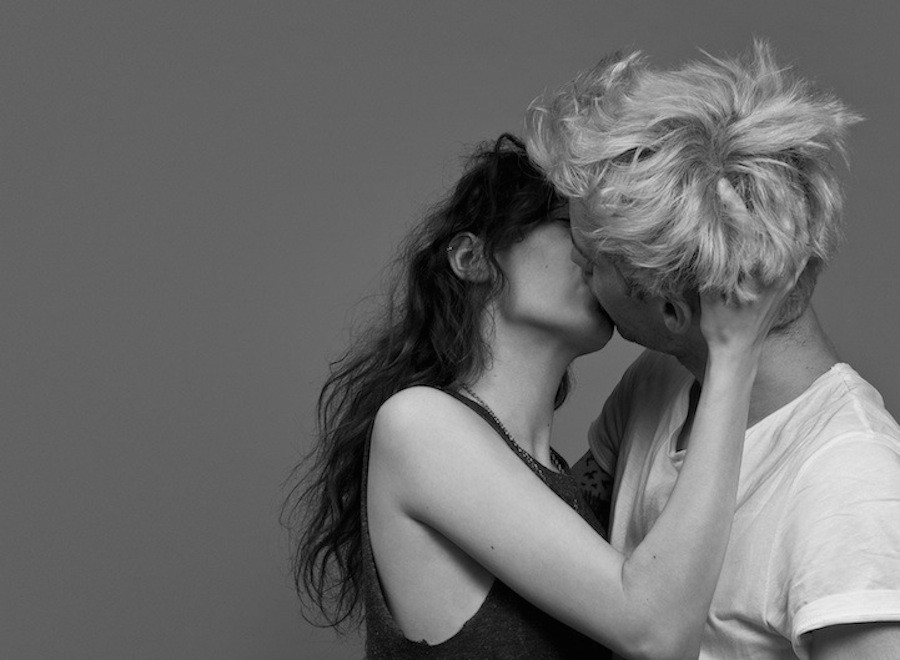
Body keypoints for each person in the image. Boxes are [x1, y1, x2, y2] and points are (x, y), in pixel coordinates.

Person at [283, 134, 796, 659]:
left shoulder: (564, 482)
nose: (600, 253)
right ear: (473, 257)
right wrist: (733, 350)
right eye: (573, 227)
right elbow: (656, 631)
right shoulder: (419, 425)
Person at [526, 41, 900, 658]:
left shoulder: (850, 482)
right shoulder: (658, 381)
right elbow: (556, 556)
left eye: (589, 262)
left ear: (671, 309)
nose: (574, 268)